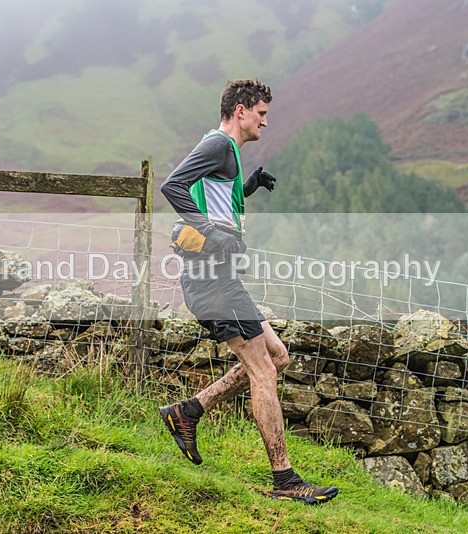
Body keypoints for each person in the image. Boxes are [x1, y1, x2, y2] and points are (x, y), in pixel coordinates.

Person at [159, 79, 338, 505]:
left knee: (276, 356)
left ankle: (187, 413)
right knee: (264, 372)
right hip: (210, 277)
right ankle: (285, 480)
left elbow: (214, 196)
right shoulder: (220, 144)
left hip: (221, 277)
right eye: (260, 114)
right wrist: (208, 233)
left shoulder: (228, 153)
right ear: (240, 110)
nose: (264, 122)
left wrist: (248, 186)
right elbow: (173, 186)